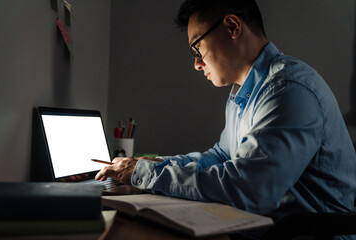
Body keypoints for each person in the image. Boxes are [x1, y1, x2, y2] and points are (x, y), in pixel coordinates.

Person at [96, 0, 356, 229]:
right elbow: (222, 156)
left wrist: (146, 174)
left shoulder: (287, 91)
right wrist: (157, 164)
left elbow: (251, 189)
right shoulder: (242, 92)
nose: (197, 64)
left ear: (232, 26)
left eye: (197, 48)